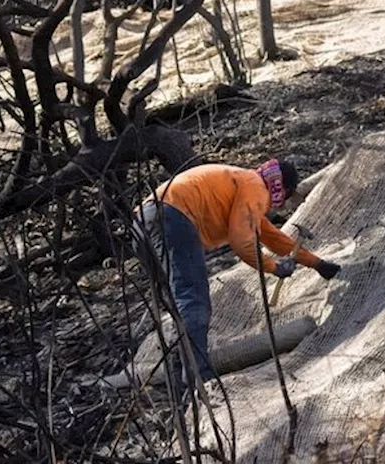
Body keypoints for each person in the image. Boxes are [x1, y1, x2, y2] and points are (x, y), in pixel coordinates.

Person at [133, 158, 342, 386]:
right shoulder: (255, 187)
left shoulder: (244, 182)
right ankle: (198, 380)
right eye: (286, 196)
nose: (281, 204)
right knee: (193, 302)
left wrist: (317, 263)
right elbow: (241, 242)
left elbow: (272, 237)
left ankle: (178, 378)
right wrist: (273, 267)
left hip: (143, 221)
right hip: (172, 218)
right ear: (283, 187)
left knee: (179, 303)